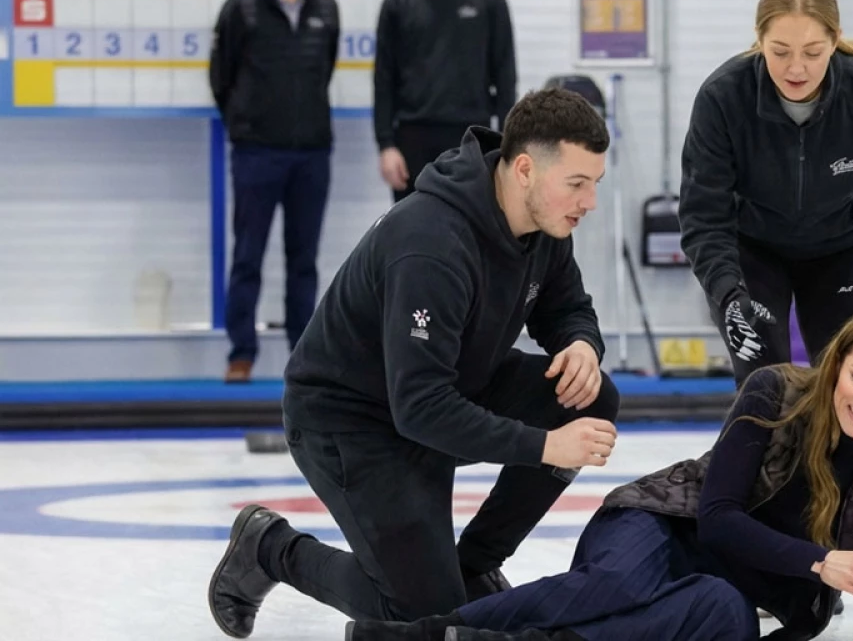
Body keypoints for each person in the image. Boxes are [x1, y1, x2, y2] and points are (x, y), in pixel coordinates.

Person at [207, 89, 622, 637]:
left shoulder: (544, 225)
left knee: (587, 397)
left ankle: (471, 565)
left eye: (594, 183)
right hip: (352, 421)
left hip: (446, 388)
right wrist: (546, 446)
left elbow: (566, 306)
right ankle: (269, 548)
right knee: (421, 618)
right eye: (577, 183)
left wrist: (581, 344)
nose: (589, 201)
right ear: (524, 169)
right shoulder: (431, 243)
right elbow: (420, 408)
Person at [341, 307, 853, 641]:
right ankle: (420, 637)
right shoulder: (774, 394)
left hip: (718, 585)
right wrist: (822, 562)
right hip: (660, 525)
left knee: (728, 618)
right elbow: (719, 518)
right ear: (836, 367)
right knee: (618, 583)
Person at [679, 0, 853, 388]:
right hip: (754, 250)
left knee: (849, 378)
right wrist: (727, 294)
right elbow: (704, 216)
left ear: (835, 39)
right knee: (767, 382)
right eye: (779, 51)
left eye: (812, 52)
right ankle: (767, 455)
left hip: (842, 249)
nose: (796, 68)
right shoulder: (722, 98)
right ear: (758, 40)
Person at [209, 0, 340, 383]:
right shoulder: (241, 8)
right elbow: (221, 78)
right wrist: (247, 125)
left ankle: (301, 358)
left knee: (303, 261)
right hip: (256, 154)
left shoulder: (326, 7)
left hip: (311, 155)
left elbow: (323, 70)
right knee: (248, 255)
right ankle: (241, 353)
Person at [375, 0, 518, 202]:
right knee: (411, 234)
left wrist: (507, 145)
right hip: (411, 137)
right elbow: (383, 78)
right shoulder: (398, 1)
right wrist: (386, 145)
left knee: (471, 233)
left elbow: (505, 75)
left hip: (471, 136)